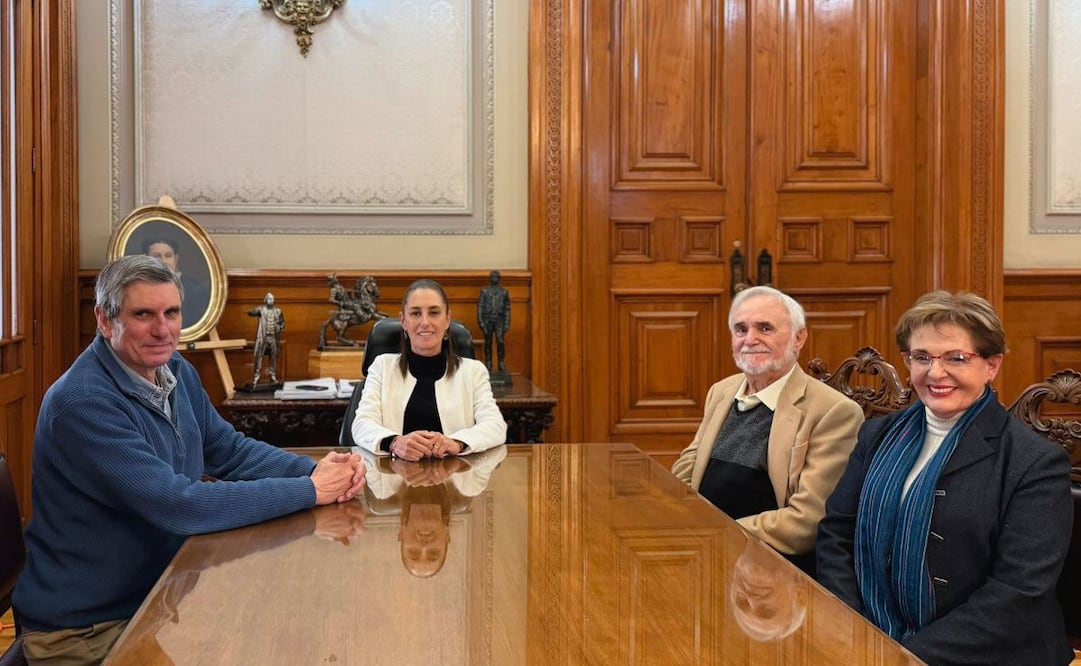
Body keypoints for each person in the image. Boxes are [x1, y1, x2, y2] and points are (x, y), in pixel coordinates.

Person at [12, 255, 366, 665]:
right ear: (105, 321)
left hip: (153, 600)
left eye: (171, 312)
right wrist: (309, 490)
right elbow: (179, 504)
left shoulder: (173, 369)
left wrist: (315, 469)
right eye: (143, 314)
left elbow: (227, 450)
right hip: (86, 632)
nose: (162, 330)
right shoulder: (83, 403)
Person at [816, 291, 1073, 665]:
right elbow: (836, 534)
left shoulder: (1035, 463)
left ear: (992, 365)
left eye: (956, 358)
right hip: (868, 642)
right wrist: (854, 630)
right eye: (922, 357)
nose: (935, 373)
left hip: (990, 654)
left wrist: (902, 658)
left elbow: (1018, 591)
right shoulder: (877, 435)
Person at [671, 286, 863, 574]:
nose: (750, 339)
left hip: (772, 567)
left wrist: (717, 534)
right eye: (740, 329)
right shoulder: (721, 391)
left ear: (799, 338)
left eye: (765, 328)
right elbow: (685, 473)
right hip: (705, 553)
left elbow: (806, 521)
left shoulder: (834, 412)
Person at [351, 278, 507, 460]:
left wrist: (456, 443)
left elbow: (495, 425)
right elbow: (361, 423)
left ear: (447, 319)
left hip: (456, 480)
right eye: (415, 313)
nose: (425, 322)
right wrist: (395, 442)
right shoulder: (382, 367)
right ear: (403, 321)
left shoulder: (472, 371)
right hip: (393, 478)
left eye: (434, 313)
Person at [358, 446, 506, 577]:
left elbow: (363, 448)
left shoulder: (382, 490)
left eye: (414, 553)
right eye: (433, 553)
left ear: (401, 534)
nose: (424, 545)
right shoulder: (465, 486)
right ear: (447, 536)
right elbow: (492, 450)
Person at [141, 235, 208, 327]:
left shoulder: (193, 287)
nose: (163, 261)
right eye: (157, 256)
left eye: (168, 256)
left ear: (176, 259)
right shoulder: (138, 287)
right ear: (146, 259)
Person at [477, 270, 510, 375]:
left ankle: (501, 363)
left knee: (500, 342)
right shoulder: (484, 291)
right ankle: (488, 364)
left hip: (500, 320)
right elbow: (480, 307)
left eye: (496, 277)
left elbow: (507, 308)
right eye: (492, 276)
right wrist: (481, 322)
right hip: (488, 320)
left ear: (499, 278)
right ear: (490, 278)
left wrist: (507, 323)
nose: (494, 278)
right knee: (488, 343)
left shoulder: (504, 292)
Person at [248, 291, 284, 385]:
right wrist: (251, 312)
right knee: (259, 356)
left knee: (273, 357)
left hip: (273, 338)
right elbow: (254, 312)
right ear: (265, 300)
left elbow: (282, 324)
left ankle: (272, 375)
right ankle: (257, 376)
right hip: (263, 337)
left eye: (271, 298)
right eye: (268, 298)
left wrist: (279, 327)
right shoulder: (261, 310)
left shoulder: (278, 311)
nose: (270, 300)